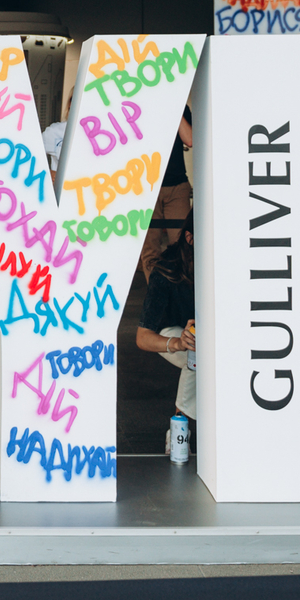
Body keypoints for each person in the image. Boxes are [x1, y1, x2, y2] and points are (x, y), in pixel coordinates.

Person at [135, 211, 196, 420]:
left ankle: (181, 430)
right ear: (190, 238)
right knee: (197, 355)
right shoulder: (166, 271)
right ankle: (181, 427)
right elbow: (142, 337)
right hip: (172, 331)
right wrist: (178, 343)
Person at [139, 106, 194, 280]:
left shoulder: (180, 107)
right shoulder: (138, 103)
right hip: (145, 186)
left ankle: (181, 294)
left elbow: (190, 140)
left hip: (176, 185)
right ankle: (155, 296)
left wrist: (175, 105)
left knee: (184, 245)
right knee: (150, 249)